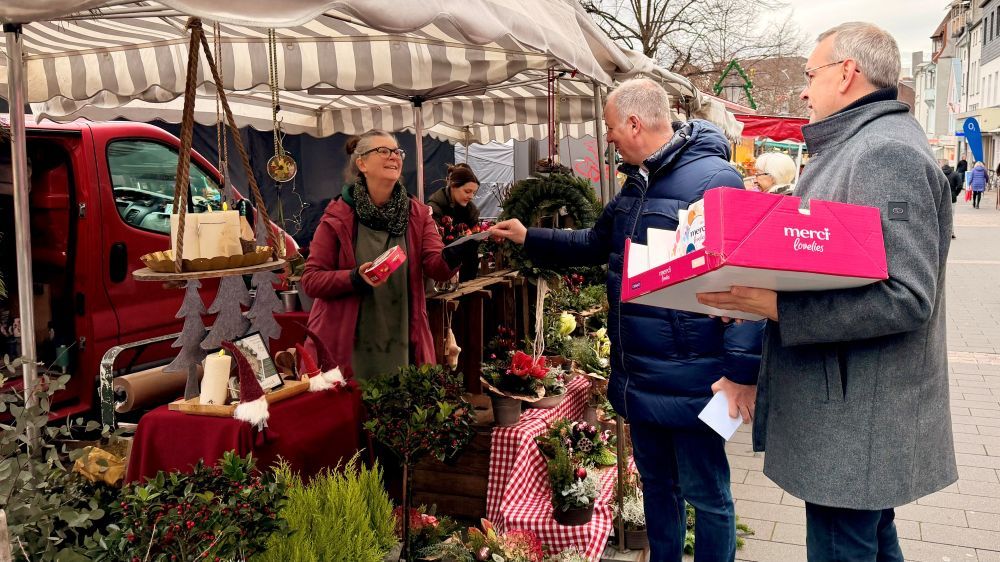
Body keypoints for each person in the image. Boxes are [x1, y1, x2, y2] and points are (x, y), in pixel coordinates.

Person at [696, 22, 957, 562]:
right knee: (869, 541)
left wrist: (776, 306)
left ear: (847, 73)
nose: (803, 89)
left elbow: (907, 297)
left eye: (809, 74)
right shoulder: (859, 145)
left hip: (855, 414)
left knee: (846, 544)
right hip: (849, 407)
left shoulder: (884, 154)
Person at [490, 78, 764, 562]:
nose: (609, 137)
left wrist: (742, 372)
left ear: (635, 123)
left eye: (612, 127)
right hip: (640, 373)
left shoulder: (715, 180)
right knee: (658, 487)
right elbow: (597, 244)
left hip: (694, 377)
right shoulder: (638, 183)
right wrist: (527, 235)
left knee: (707, 496)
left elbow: (748, 287)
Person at [300, 130, 461, 381]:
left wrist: (457, 253)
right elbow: (311, 280)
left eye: (397, 152)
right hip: (347, 343)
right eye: (383, 151)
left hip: (402, 339)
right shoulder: (337, 217)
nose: (394, 157)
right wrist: (354, 278)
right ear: (361, 163)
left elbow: (435, 266)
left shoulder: (417, 214)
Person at [428, 163, 482, 281]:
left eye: (474, 193)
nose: (471, 196)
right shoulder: (434, 208)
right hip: (443, 275)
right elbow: (433, 247)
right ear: (453, 186)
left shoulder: (471, 210)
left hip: (468, 275)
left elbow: (474, 242)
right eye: (467, 191)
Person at [942, 161, 961, 239]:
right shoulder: (955, 174)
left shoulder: (939, 173)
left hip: (941, 196)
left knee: (940, 215)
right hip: (952, 196)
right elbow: (960, 185)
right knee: (951, 215)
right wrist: (956, 193)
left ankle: (942, 233)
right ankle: (951, 232)